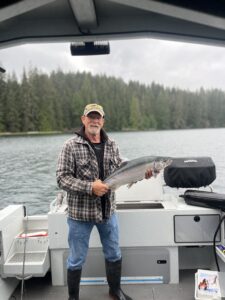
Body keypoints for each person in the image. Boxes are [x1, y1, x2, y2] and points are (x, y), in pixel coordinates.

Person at [56, 103, 152, 300]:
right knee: (76, 259)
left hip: (108, 211)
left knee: (114, 253)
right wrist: (90, 187)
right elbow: (62, 178)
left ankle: (114, 291)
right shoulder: (70, 146)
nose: (95, 120)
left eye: (98, 117)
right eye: (90, 116)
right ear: (83, 119)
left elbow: (122, 172)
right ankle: (73, 297)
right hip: (80, 215)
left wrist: (143, 174)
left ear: (103, 120)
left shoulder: (112, 144)